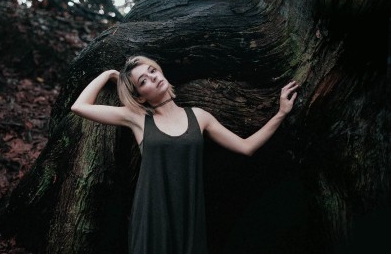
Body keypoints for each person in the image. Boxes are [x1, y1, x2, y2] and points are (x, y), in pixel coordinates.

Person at [71, 55, 299, 254]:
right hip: (152, 217)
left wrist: (280, 113)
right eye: (143, 81)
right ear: (140, 97)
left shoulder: (200, 117)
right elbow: (80, 106)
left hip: (189, 216)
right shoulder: (137, 118)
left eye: (152, 71)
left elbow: (246, 147)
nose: (153, 77)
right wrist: (110, 73)